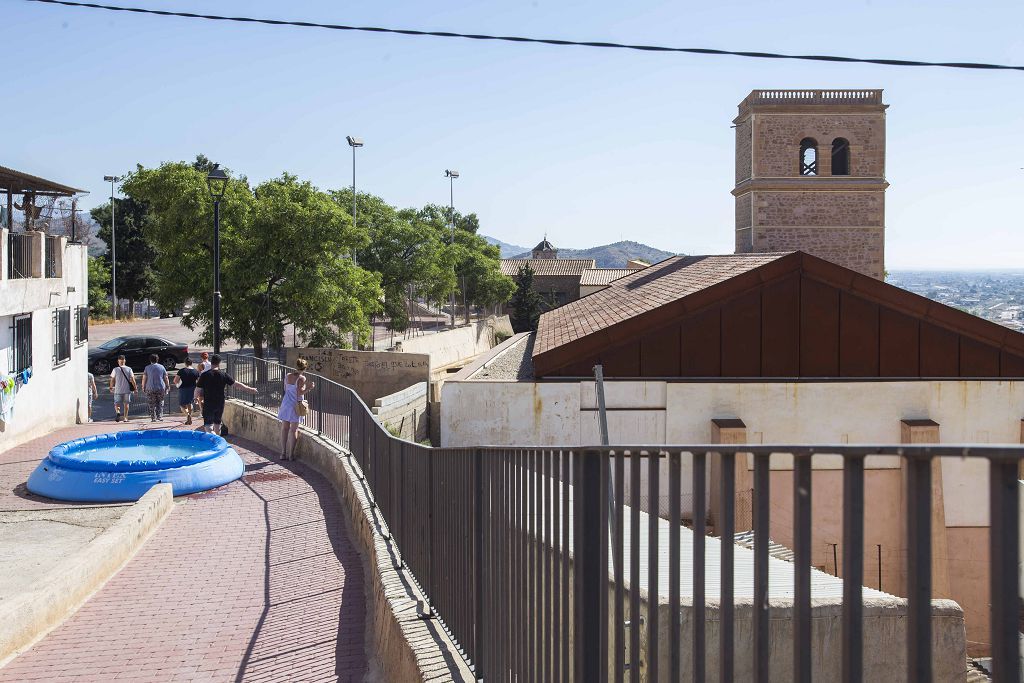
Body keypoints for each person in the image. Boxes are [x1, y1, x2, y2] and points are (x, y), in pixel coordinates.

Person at [195, 354, 257, 435]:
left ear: (212, 362)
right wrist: (249, 389)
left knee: (208, 426)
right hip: (220, 403)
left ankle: (214, 438)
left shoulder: (205, 375)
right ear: (219, 363)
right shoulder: (223, 374)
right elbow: (236, 384)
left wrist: (195, 398)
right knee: (217, 424)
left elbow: (198, 389)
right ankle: (217, 443)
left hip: (209, 403)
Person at [277, 358, 314, 461]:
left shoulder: (287, 376)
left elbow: (286, 389)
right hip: (295, 406)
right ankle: (291, 455)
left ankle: (283, 453)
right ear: (304, 368)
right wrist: (309, 388)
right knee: (293, 430)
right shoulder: (302, 379)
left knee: (284, 428)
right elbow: (300, 393)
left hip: (286, 404)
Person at [141, 354, 170, 422]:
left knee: (151, 403)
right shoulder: (162, 367)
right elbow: (166, 377)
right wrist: (167, 386)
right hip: (160, 387)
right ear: (157, 359)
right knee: (160, 402)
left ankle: (153, 417)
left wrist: (143, 386)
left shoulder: (147, 368)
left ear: (150, 360)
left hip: (150, 387)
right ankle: (159, 416)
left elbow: (144, 378)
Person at [109, 355, 137, 422]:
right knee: (126, 404)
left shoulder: (115, 369)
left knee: (117, 403)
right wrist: (135, 388)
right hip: (127, 390)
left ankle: (118, 412)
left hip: (118, 390)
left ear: (118, 361)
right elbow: (132, 380)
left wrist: (111, 387)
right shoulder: (129, 369)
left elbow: (112, 379)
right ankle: (125, 418)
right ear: (125, 361)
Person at [174, 357, 200, 425]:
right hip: (192, 389)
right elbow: (199, 382)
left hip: (183, 389)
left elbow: (175, 380)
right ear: (191, 363)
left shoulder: (181, 371)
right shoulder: (195, 371)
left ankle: (187, 415)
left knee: (182, 405)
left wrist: (178, 384)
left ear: (185, 363)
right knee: (190, 403)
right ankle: (190, 415)